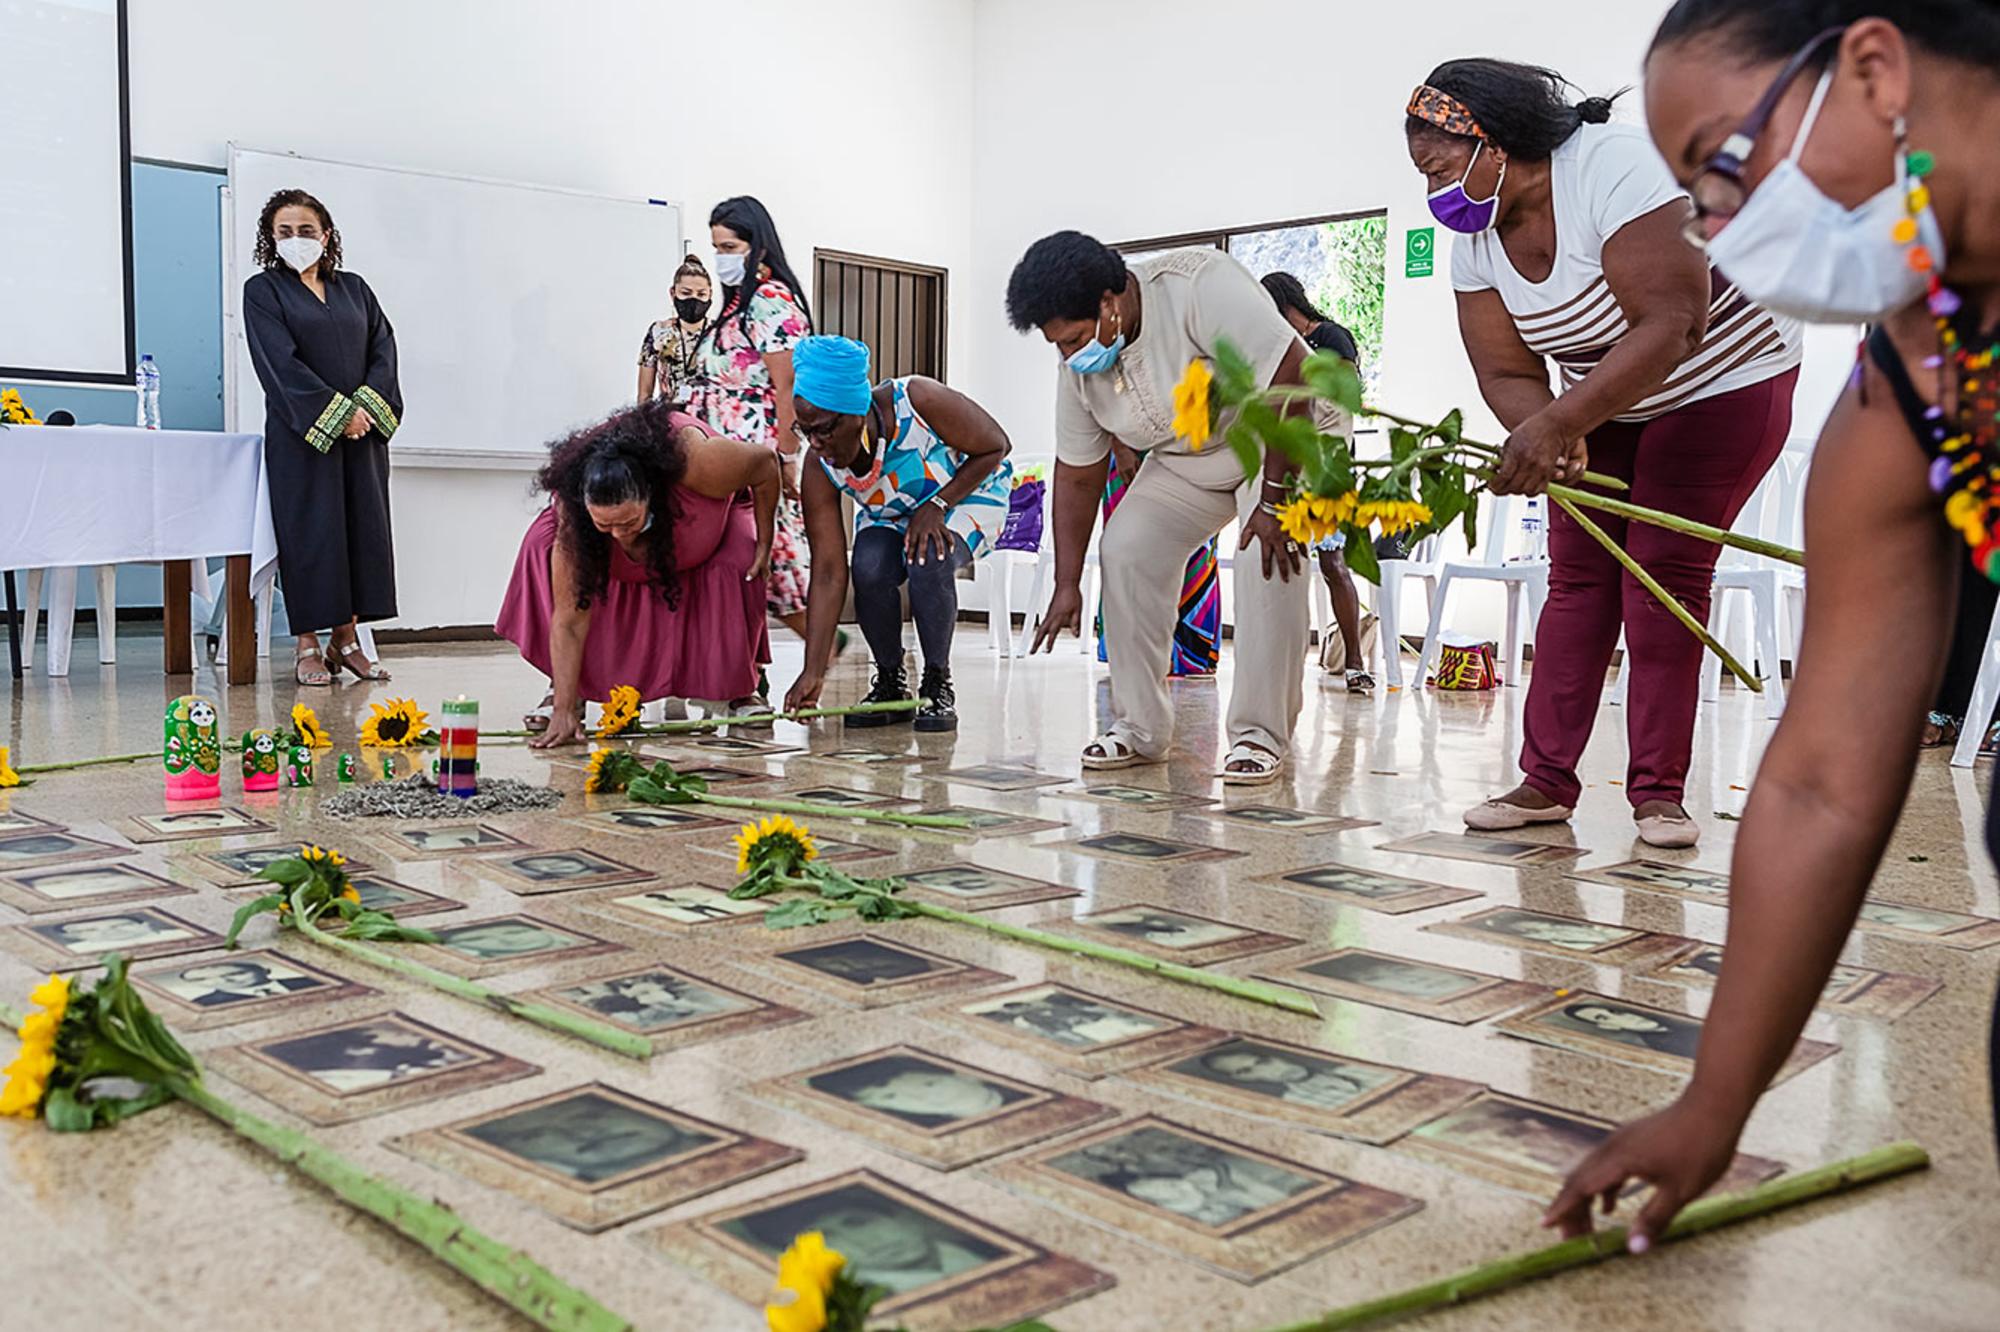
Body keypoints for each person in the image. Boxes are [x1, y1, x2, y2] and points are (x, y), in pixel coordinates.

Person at [1549, 7, 1998, 1252]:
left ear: (1871, 66)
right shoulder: (1907, 388)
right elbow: (1813, 785)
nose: (1724, 237)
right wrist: (1712, 1099)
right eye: (1702, 205)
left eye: (1722, 170)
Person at [1407, 60, 1803, 849]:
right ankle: (1544, 780)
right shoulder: (1476, 243)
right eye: (1423, 174)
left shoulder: (1613, 167)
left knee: (1662, 574)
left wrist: (1557, 427)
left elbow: (1672, 322)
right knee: (1580, 576)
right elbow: (1506, 370)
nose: (1435, 189)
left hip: (1723, 379)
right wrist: (1546, 433)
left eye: (1442, 166)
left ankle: (1658, 794)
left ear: (1495, 143)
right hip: (1604, 397)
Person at [1009, 232, 1318, 784]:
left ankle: (1259, 735)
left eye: (1075, 338)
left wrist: (1273, 504)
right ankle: (1139, 728)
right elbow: (1078, 476)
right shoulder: (1078, 370)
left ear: (1110, 302)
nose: (1069, 355)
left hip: (1279, 442)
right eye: (1057, 345)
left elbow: (1292, 375)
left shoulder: (1199, 284)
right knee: (1126, 546)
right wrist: (1066, 582)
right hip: (1189, 457)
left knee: (1263, 557)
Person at [496, 399, 778, 745]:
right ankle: (568, 690)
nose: (619, 535)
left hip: (709, 517)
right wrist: (564, 711)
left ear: (652, 495)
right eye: (606, 525)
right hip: (592, 523)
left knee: (737, 559)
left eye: (629, 522)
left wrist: (766, 541)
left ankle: (741, 690)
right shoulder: (575, 512)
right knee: (543, 547)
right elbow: (570, 617)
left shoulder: (700, 463)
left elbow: (765, 465)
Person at [782, 335, 1013, 733]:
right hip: (894, 511)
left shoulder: (919, 400)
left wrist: (937, 506)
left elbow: (995, 447)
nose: (817, 445)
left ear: (855, 412)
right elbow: (828, 571)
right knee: (869, 563)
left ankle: (937, 685)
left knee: (927, 555)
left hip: (967, 494)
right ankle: (891, 685)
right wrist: (813, 671)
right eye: (805, 432)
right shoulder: (819, 465)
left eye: (823, 430)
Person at [242, 188, 402, 686]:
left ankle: (347, 640)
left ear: (326, 235)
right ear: (271, 238)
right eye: (284, 232)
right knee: (312, 535)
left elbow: (384, 348)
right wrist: (336, 415)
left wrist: (365, 412)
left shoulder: (355, 289)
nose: (296, 240)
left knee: (360, 531)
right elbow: (277, 363)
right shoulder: (263, 291)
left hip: (363, 437)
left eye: (306, 231)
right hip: (301, 435)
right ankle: (307, 644)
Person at [684, 196, 815, 658]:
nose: (722, 258)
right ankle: (747, 672)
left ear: (756, 245)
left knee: (773, 563)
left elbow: (787, 386)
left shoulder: (772, 301)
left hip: (756, 453)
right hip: (722, 455)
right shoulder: (737, 304)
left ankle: (826, 652)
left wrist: (787, 458)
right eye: (717, 247)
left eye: (732, 246)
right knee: (742, 564)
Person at [1262, 270, 1374, 694]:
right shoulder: (1280, 348)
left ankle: (1355, 662)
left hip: (1328, 466)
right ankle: (1283, 661)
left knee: (1333, 562)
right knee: (1285, 560)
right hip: (1288, 463)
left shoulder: (1329, 336)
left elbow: (1344, 391)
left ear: (1286, 304)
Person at [1097, 441, 1222, 678]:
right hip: (1133, 449)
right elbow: (1105, 404)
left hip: (1198, 449)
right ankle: (1130, 651)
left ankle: (1188, 653)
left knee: (1196, 551)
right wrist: (1121, 448)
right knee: (1129, 547)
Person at [637, 255, 713, 406]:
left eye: (701, 294)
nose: (694, 299)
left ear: (710, 294)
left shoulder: (720, 334)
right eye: (686, 293)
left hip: (709, 422)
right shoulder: (658, 332)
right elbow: (645, 394)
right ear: (673, 293)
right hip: (670, 420)